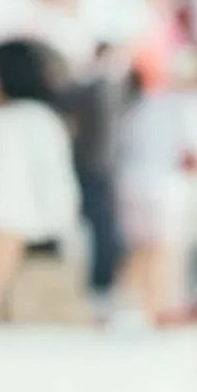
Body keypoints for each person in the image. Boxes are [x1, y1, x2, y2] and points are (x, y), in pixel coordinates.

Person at [0, 39, 86, 325]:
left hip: (13, 267)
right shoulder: (43, 121)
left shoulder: (10, 126)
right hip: (47, 257)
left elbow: (8, 219)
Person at [114, 48, 197, 324]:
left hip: (133, 185)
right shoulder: (194, 104)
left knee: (141, 250)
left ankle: (127, 308)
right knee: (166, 251)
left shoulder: (147, 103)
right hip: (168, 189)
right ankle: (160, 310)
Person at [63, 43, 129, 298]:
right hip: (102, 167)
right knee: (101, 225)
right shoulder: (112, 89)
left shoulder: (98, 87)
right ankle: (102, 279)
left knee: (99, 226)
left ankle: (101, 280)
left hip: (94, 167)